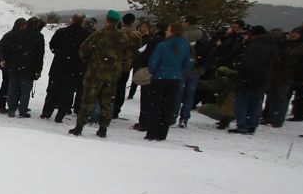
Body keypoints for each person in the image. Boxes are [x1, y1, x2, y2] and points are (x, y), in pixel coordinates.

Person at [69, 10, 134, 138]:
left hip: (95, 72)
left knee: (88, 99)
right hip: (112, 74)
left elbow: (83, 50)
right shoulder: (124, 37)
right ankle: (103, 128)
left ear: (106, 20)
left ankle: (79, 126)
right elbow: (129, 53)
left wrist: (91, 62)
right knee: (107, 101)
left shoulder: (99, 34)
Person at [143, 23, 192, 141]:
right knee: (168, 107)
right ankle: (162, 133)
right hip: (175, 79)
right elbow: (188, 63)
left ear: (172, 31)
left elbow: (153, 62)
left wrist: (152, 71)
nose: (166, 32)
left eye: (168, 30)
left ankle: (152, 133)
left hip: (160, 78)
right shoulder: (185, 45)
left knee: (156, 106)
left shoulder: (162, 45)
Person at [230, 26, 281, 134]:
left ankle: (242, 125)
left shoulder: (256, 45)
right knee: (255, 102)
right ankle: (251, 124)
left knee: (242, 101)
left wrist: (242, 71)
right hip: (263, 77)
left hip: (249, 77)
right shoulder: (274, 45)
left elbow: (248, 62)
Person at [41, 14, 89, 121]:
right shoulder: (86, 35)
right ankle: (60, 115)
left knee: (52, 90)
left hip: (58, 65)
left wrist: (58, 52)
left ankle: (46, 112)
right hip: (75, 68)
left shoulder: (61, 32)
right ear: (82, 22)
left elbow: (52, 45)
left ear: (71, 20)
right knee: (67, 92)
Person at [4, 17, 46, 117]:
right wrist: (39, 69)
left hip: (15, 66)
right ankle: (23, 111)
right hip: (29, 68)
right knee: (25, 91)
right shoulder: (39, 36)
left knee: (13, 89)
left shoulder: (16, 34)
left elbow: (9, 49)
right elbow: (40, 55)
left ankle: (11, 110)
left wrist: (9, 62)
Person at [177, 16, 209, 127]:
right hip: (197, 68)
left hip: (184, 66)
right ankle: (185, 117)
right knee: (190, 94)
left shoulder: (184, 34)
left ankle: (173, 115)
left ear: (187, 22)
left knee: (178, 91)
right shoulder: (204, 34)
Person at [0, 18, 27, 113]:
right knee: (6, 85)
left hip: (12, 64)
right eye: (24, 26)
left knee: (12, 85)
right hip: (8, 65)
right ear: (21, 26)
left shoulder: (17, 35)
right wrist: (2, 59)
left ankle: (11, 104)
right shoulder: (10, 35)